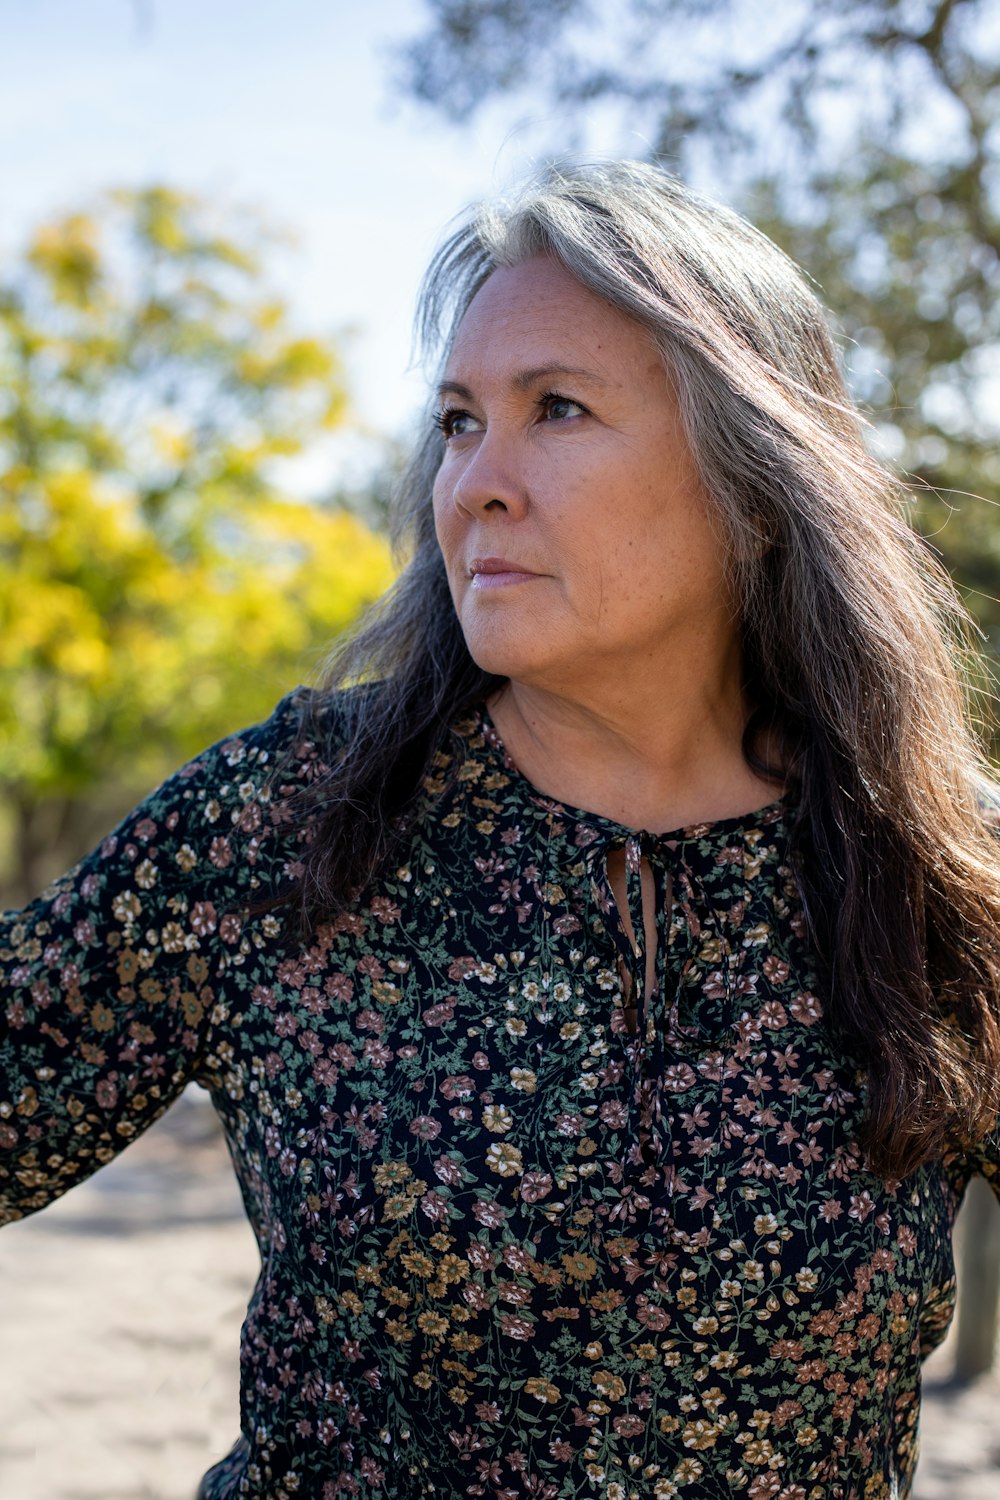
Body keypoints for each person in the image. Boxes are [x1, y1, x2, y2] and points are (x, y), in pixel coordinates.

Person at [2, 158, 1000, 1500]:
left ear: (759, 487)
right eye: (461, 419)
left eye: (561, 410)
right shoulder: (290, 825)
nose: (476, 480)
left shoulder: (934, 871)